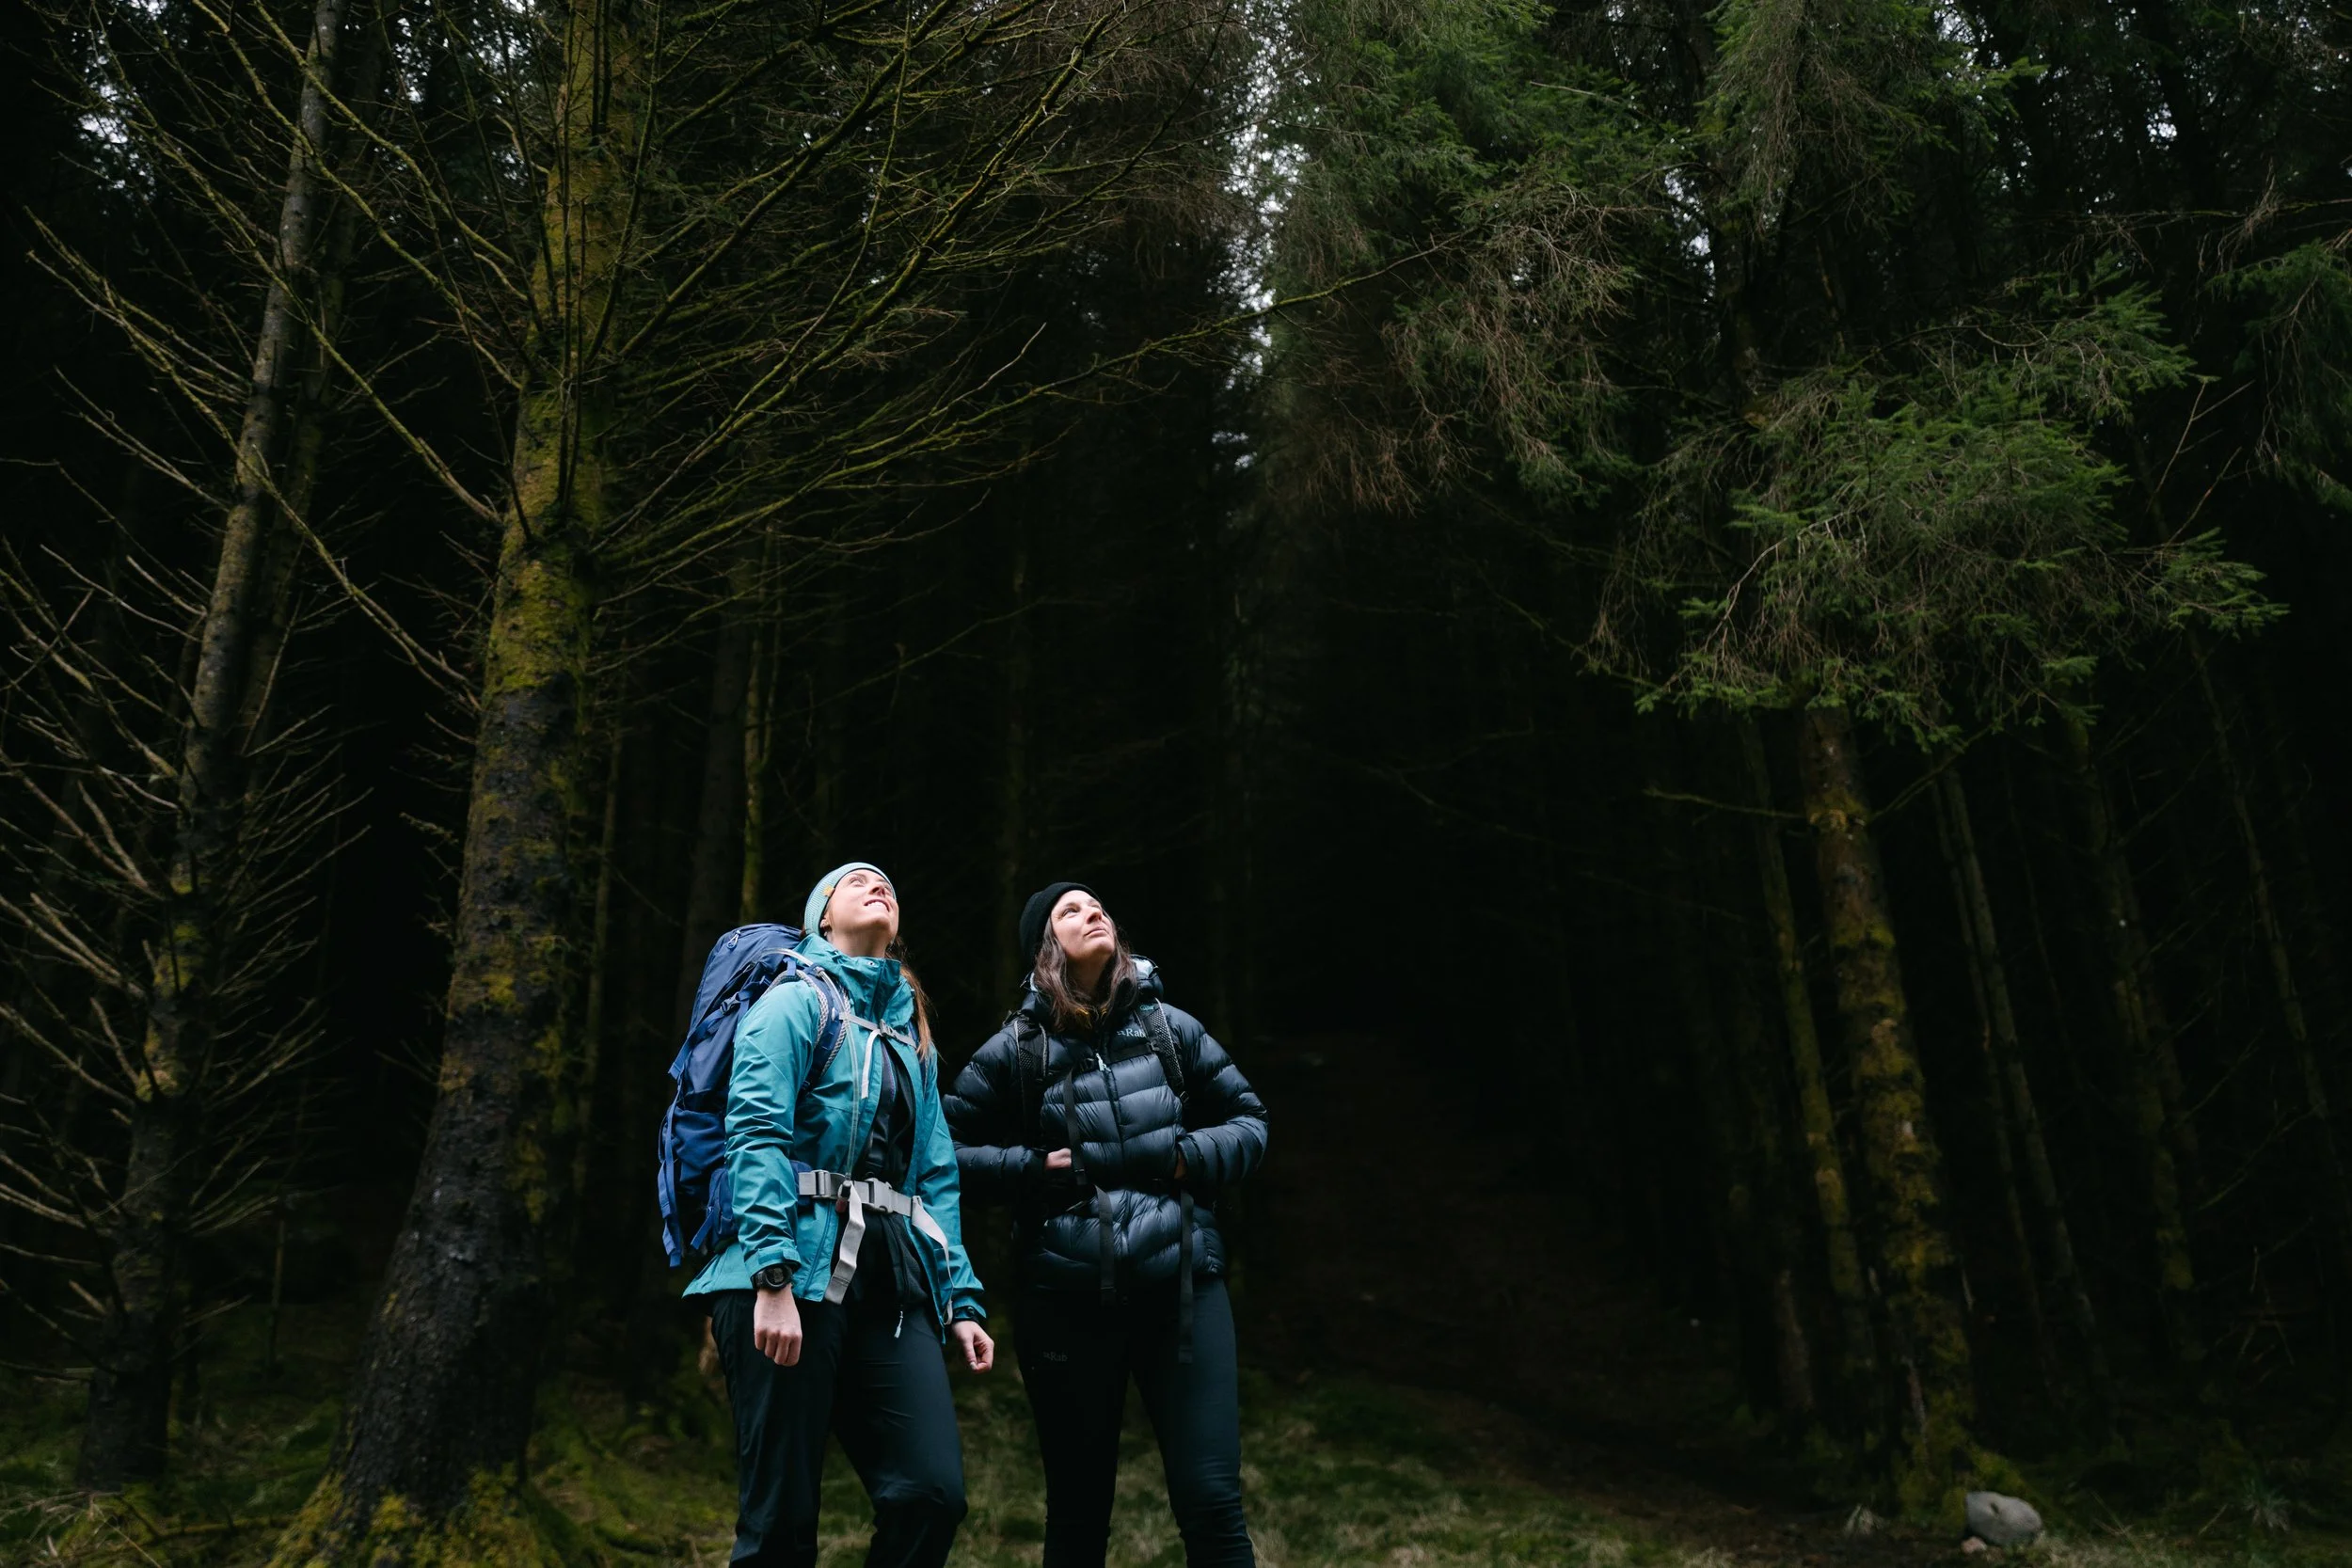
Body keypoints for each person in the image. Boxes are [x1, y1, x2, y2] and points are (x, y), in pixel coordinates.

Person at [947, 881, 1269, 1567]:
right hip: (1065, 1300)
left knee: (1212, 1503)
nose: (1091, 913)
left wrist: (1182, 1156)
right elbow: (940, 1152)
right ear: (1046, 946)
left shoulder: (1168, 1028)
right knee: (1078, 1512)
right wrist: (1034, 1169)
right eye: (1071, 910)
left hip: (1181, 1290)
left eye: (1097, 906)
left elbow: (1251, 1122)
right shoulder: (1015, 1049)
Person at [685, 862, 993, 1568]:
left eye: (887, 882)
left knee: (930, 1494)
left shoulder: (910, 1035)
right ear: (823, 916)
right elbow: (755, 1132)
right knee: (781, 1524)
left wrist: (961, 1299)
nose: (878, 885)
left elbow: (933, 1177)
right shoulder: (794, 1002)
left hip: (888, 1283)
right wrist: (771, 1274)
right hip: (786, 1270)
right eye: (856, 882)